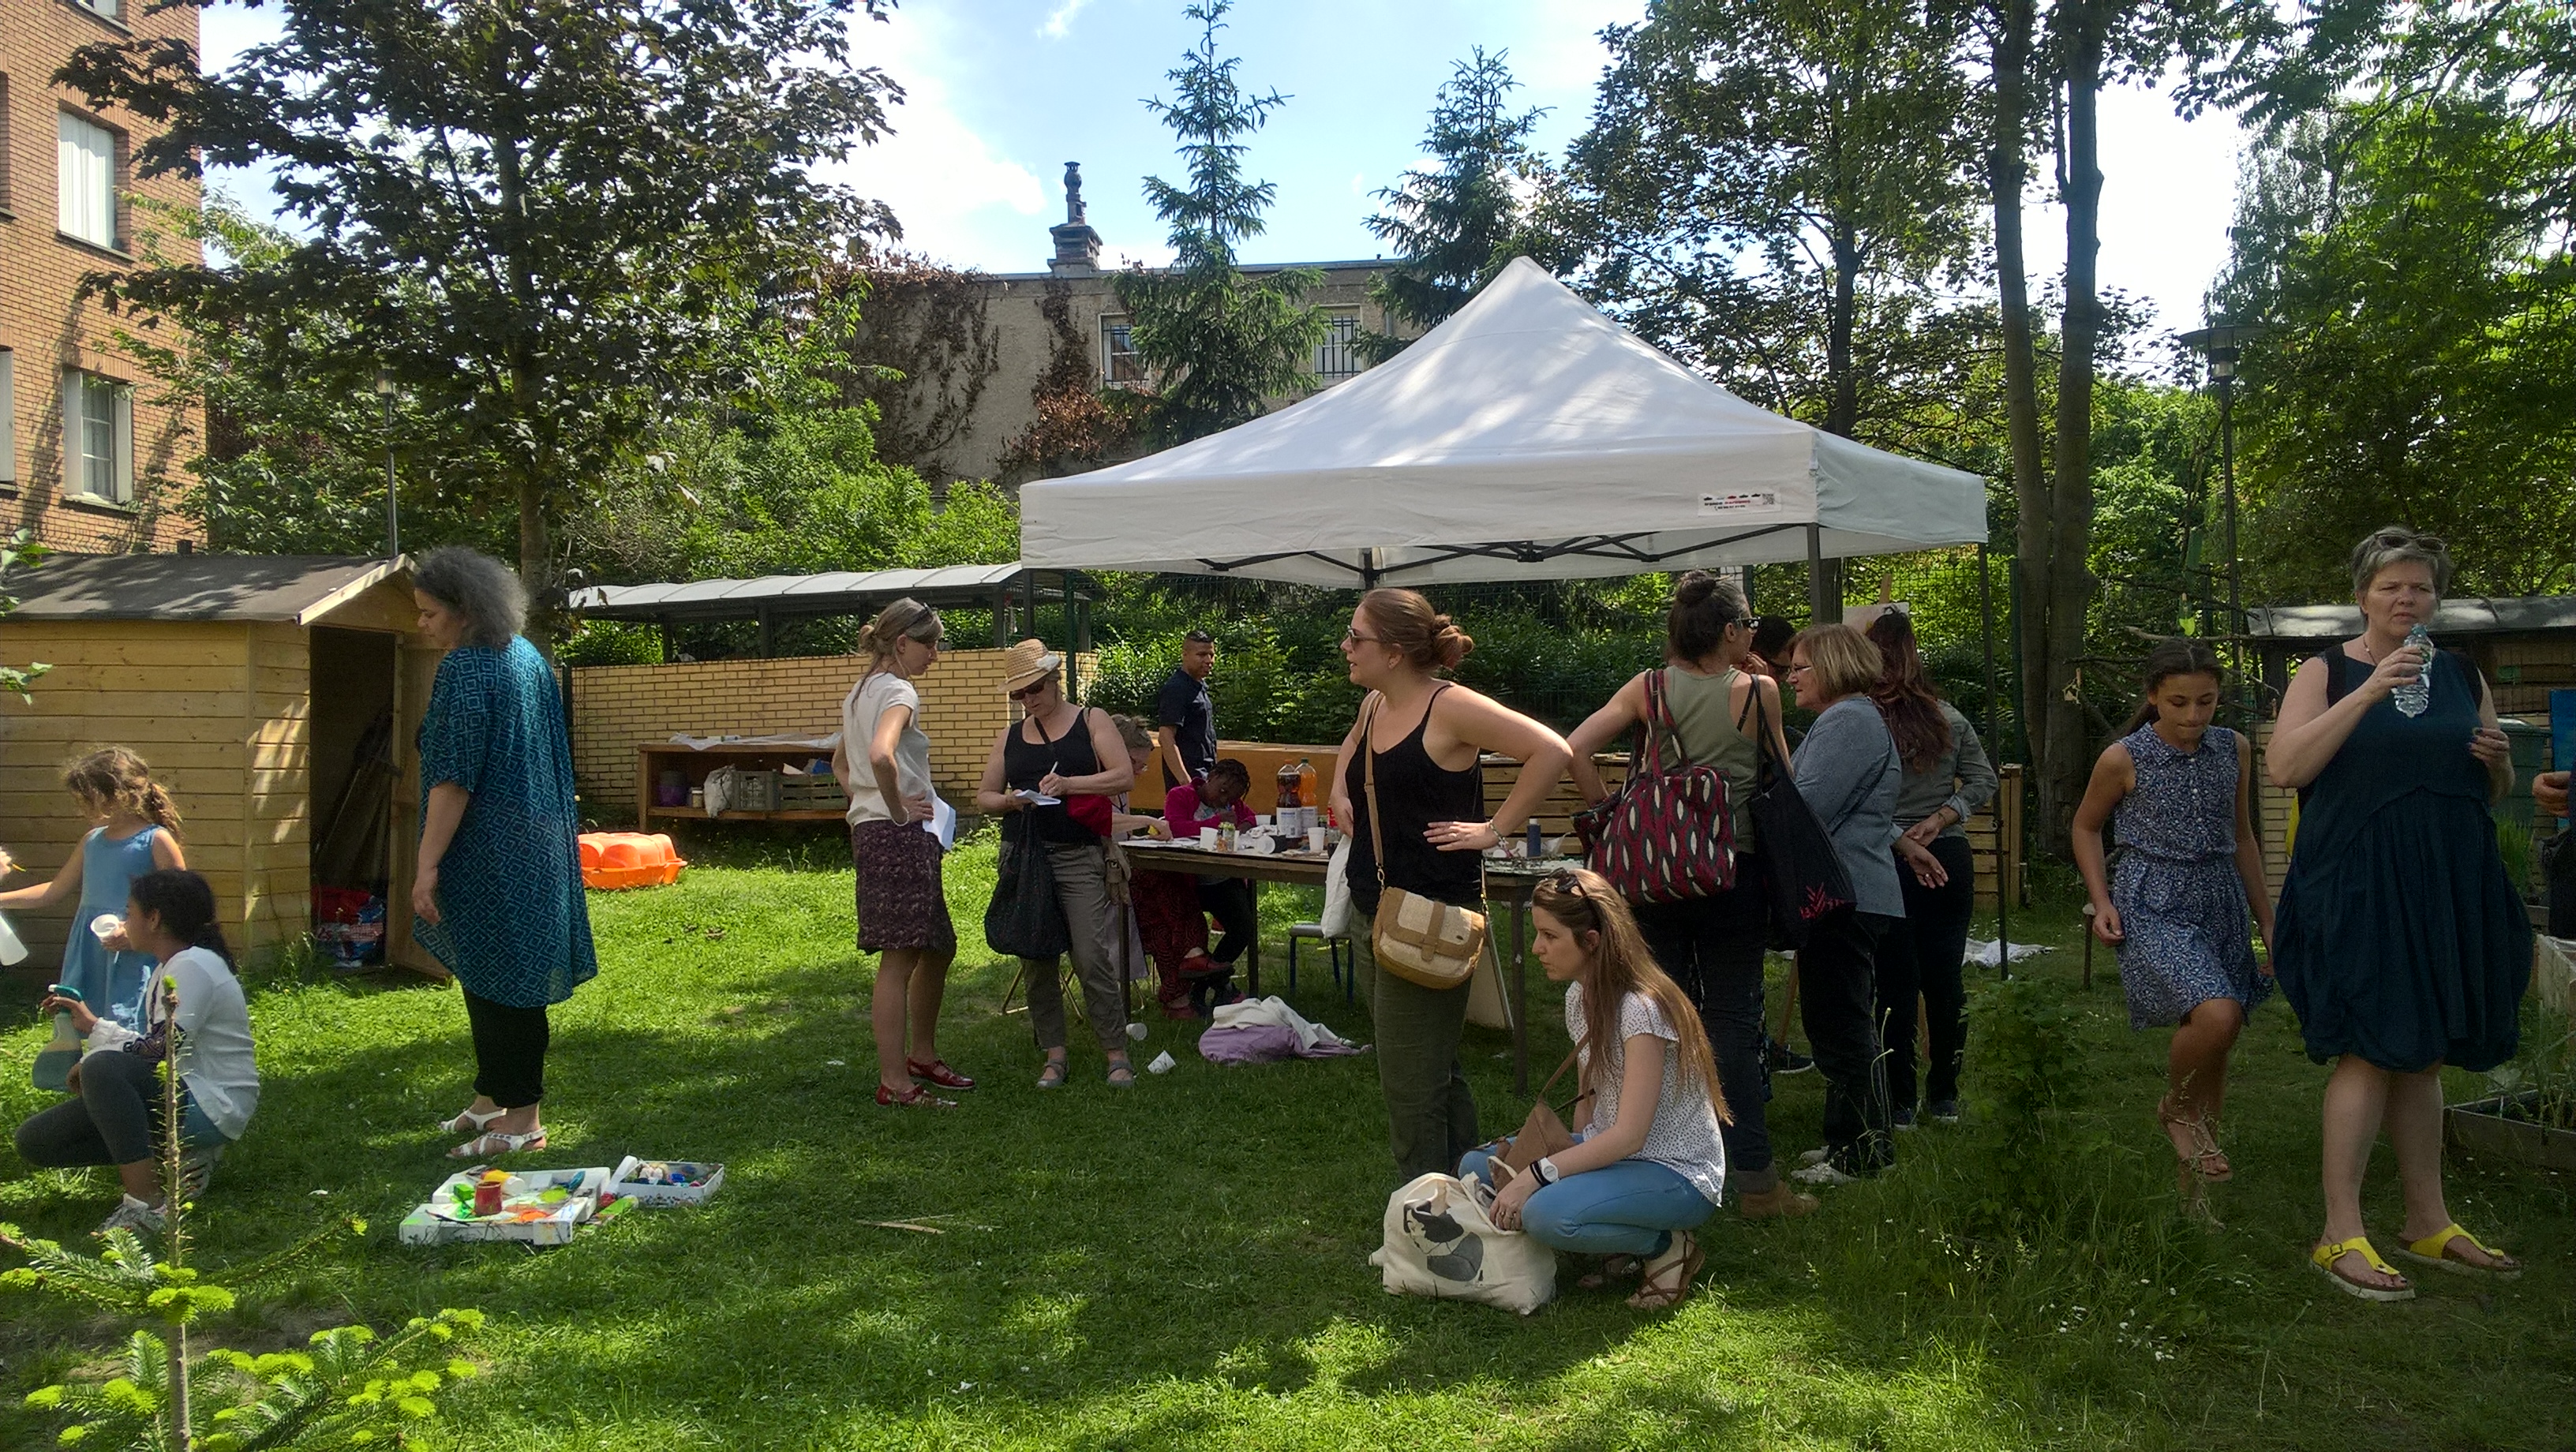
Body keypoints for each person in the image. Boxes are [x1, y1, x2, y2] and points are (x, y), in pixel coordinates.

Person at [2268, 526, 2525, 1299]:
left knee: (2425, 1049)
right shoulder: (2324, 671)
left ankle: (2428, 1221)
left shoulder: (2457, 673)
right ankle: (2337, 1231)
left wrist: (2502, 764)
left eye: (2421, 587)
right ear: (2362, 595)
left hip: (2446, 878)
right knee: (2369, 1047)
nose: (2407, 598)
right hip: (2358, 879)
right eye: (2392, 586)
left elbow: (2489, 787)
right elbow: (2286, 768)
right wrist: (2375, 688)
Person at [1567, 571, 1810, 1218]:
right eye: (1748, 626)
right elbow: (1783, 777)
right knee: (1733, 1018)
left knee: (1653, 1018)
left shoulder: (1647, 689)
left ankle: (1652, 1157)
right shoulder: (1759, 692)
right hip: (1735, 872)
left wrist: (1606, 810)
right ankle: (1755, 1180)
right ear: (1730, 631)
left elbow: (1575, 747)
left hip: (1653, 874)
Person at [1329, 589, 1572, 1183]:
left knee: (1410, 1081)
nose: (1345, 647)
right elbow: (1350, 753)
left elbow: (1551, 750)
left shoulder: (1451, 706)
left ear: (1392, 652)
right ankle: (1469, 1182)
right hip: (1375, 907)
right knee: (1430, 1064)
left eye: (1355, 638)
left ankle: (1422, 1210)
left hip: (1435, 915)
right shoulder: (1373, 707)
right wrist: (1340, 789)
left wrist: (1494, 830)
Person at [1462, 869, 1727, 1311]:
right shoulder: (1578, 998)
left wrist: (1539, 1175)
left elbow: (1629, 1136)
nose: (1536, 948)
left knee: (1544, 1213)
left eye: (1549, 936)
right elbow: (1590, 1101)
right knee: (1477, 1165)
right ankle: (1614, 1235)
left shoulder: (1641, 1009)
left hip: (1676, 1173)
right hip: (1619, 1156)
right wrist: (1562, 1154)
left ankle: (1665, 1246)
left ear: (1591, 940)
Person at [2069, 640, 2273, 1214]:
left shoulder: (2234, 749)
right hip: (2153, 899)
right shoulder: (2123, 757)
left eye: (2206, 702)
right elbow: (2086, 828)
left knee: (2219, 1038)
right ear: (2153, 696)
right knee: (2218, 1012)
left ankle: (2195, 1198)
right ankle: (2176, 1108)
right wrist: (2100, 899)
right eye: (2179, 702)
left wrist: (2269, 922)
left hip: (2220, 896)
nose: (2192, 716)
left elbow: (2244, 837)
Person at [410, 548, 597, 1159]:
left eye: (430, 614)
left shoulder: (468, 669)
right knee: (489, 971)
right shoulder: (525, 658)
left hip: (489, 847)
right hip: (536, 839)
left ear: (465, 612)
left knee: (508, 984)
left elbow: (453, 777)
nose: (422, 625)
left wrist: (427, 863)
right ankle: (492, 1099)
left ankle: (523, 1119)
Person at [15, 870, 257, 1236]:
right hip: (188, 1101)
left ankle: (146, 1204)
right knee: (37, 1141)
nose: (125, 921)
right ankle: (178, 1162)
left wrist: (95, 1061)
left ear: (154, 918)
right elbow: (157, 1042)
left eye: (129, 912)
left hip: (211, 1106)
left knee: (102, 1068)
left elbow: (162, 1047)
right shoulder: (174, 965)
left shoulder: (192, 965)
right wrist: (94, 1027)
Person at [976, 639, 1138, 1088]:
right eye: (1020, 695)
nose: (1028, 701)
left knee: (1090, 955)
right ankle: (1054, 1054)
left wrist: (1069, 784)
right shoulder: (1009, 736)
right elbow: (984, 796)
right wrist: (1011, 800)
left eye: (1035, 690)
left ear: (1055, 682)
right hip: (1026, 856)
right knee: (1036, 954)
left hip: (1079, 854)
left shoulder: (1091, 720)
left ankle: (1116, 1051)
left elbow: (1122, 775)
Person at [1865, 611, 1997, 1130]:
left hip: (1886, 859)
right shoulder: (1949, 717)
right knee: (1945, 980)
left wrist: (1901, 834)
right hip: (1947, 855)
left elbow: (1853, 800)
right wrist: (1944, 817)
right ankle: (1943, 1096)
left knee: (1895, 984)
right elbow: (1982, 780)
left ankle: (1899, 1103)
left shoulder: (1861, 722)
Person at [1782, 623, 1902, 1187]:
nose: (1791, 677)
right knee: (1837, 1019)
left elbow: (1808, 807)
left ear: (1831, 667)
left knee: (1842, 1022)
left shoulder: (1848, 720)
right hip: (1852, 892)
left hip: (1845, 894)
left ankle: (1857, 1153)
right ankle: (1852, 1139)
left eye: (1801, 667)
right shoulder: (1849, 718)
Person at [837, 597, 968, 1110]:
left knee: (938, 945)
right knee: (898, 960)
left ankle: (922, 1056)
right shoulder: (897, 690)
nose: (937, 653)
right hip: (898, 837)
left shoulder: (859, 692)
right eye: (931, 643)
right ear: (901, 643)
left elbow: (840, 763)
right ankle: (895, 1082)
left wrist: (865, 803)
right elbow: (877, 755)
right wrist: (892, 810)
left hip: (881, 834)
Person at [0, 748, 188, 1029]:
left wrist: (134, 931)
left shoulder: (156, 840)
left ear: (118, 795)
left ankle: (131, 1068)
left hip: (133, 949)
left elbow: (182, 898)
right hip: (89, 948)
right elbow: (54, 890)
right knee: (79, 1022)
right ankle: (82, 1071)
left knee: (128, 1024)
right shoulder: (92, 840)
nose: (82, 806)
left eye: (87, 798)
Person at [1108, 714, 1220, 1019]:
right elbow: (1098, 823)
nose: (1139, 772)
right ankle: (1190, 966)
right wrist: (1148, 822)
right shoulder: (1095, 780)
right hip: (1099, 876)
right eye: (1135, 763)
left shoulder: (1120, 785)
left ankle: (1185, 977)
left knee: (1171, 891)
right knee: (1162, 896)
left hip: (1122, 867)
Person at [1165, 758, 1260, 1009]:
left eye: (1231, 796)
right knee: (1192, 932)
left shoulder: (1232, 804)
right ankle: (1223, 988)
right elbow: (1174, 828)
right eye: (1222, 791)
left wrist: (1243, 825)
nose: (1223, 799)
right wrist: (1216, 823)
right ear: (1212, 776)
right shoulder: (1181, 795)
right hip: (1189, 881)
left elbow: (1250, 817)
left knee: (1244, 928)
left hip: (1222, 879)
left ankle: (1205, 985)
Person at [1156, 630, 1219, 791]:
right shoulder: (1177, 689)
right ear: (1185, 654)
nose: (1208, 660)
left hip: (1206, 775)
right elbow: (1166, 737)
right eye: (1201, 655)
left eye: (1211, 655)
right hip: (1189, 780)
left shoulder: (1199, 686)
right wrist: (1186, 782)